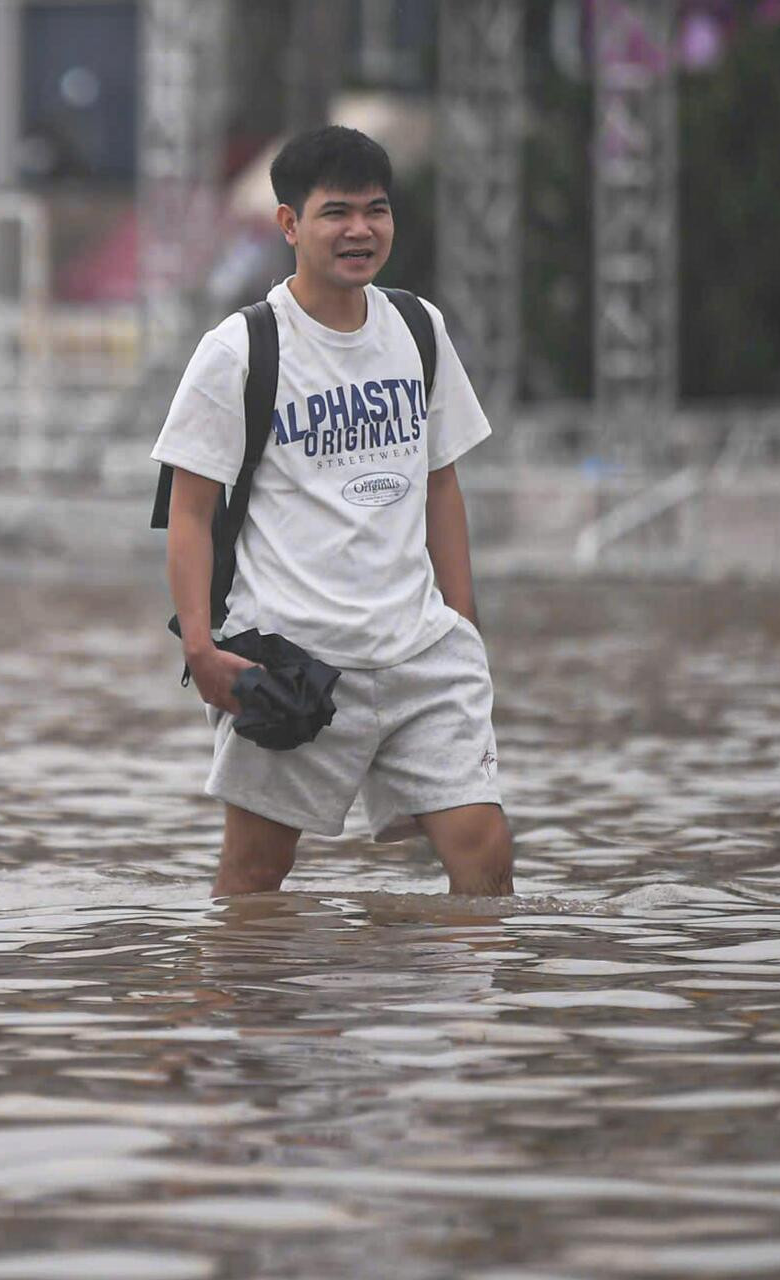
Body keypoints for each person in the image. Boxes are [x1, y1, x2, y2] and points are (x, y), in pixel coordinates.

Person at [151, 125, 514, 898]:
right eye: (336, 212)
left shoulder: (418, 328)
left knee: (484, 856)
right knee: (254, 878)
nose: (360, 230)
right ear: (289, 224)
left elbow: (440, 483)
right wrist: (199, 650)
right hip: (296, 661)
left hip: (422, 652)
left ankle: (465, 1013)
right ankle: (244, 1007)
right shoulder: (241, 349)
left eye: (376, 211)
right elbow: (189, 512)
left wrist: (464, 625)